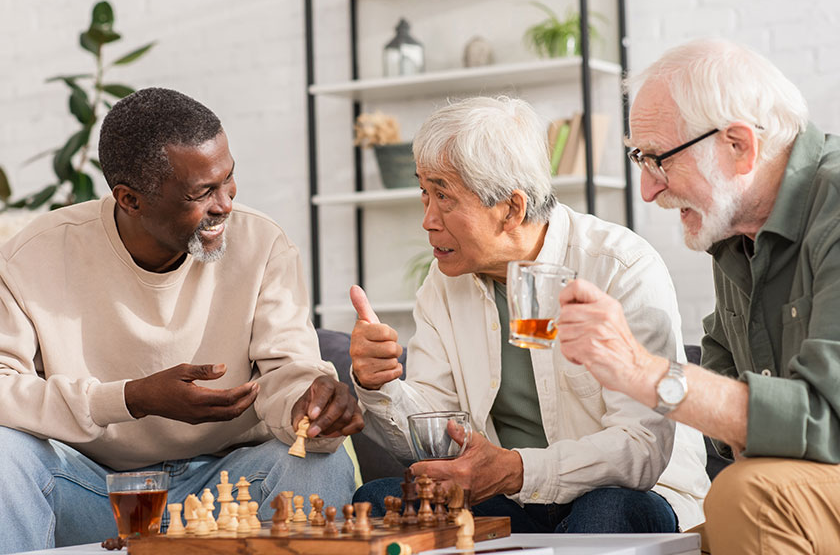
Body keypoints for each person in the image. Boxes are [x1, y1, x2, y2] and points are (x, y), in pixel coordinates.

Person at [0, 87, 363, 553]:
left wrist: (306, 406)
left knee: (323, 466)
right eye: (202, 192)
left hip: (229, 484)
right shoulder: (37, 256)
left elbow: (287, 372)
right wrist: (131, 398)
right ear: (130, 199)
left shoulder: (262, 243)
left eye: (228, 179)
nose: (226, 203)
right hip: (94, 491)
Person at [348, 95, 710, 534]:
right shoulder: (442, 286)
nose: (427, 219)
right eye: (425, 193)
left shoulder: (620, 267)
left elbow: (640, 449)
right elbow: (438, 442)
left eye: (444, 197)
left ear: (512, 209)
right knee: (378, 502)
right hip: (509, 500)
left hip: (635, 494)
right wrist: (378, 383)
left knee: (606, 514)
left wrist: (516, 469)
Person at [557, 38, 840, 554]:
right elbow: (727, 412)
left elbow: (828, 420)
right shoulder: (736, 237)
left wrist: (641, 372)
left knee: (746, 496)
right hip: (802, 487)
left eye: (659, 159)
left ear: (738, 146)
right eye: (639, 159)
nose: (648, 190)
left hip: (794, 484)